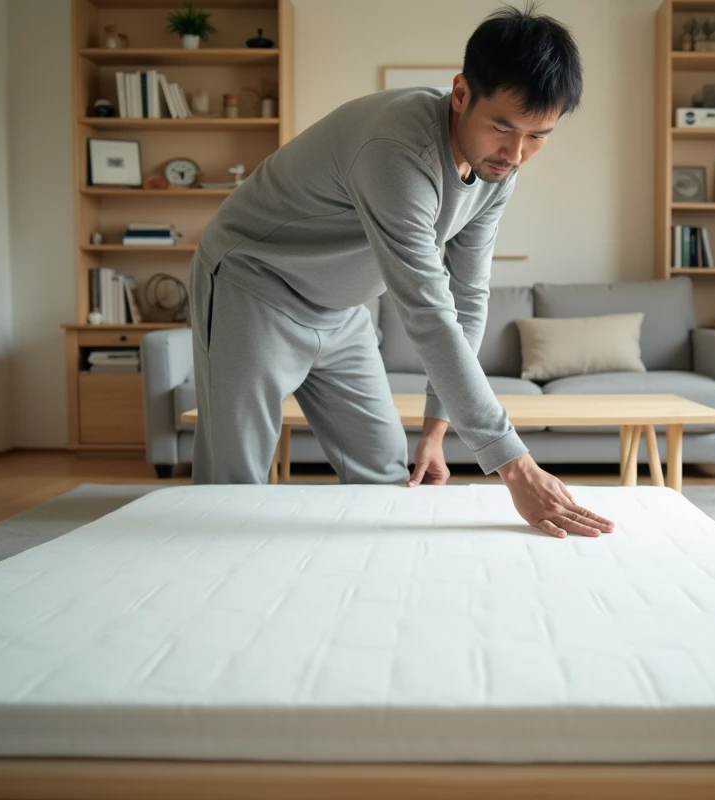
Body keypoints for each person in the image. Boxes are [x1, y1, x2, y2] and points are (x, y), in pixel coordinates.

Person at [189, 3, 614, 539]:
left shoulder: (497, 169)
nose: (516, 153)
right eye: (503, 128)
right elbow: (429, 312)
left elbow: (467, 295)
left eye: (538, 136)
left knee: (390, 478)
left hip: (342, 312)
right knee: (232, 486)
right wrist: (516, 465)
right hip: (252, 289)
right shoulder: (397, 150)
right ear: (461, 94)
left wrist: (438, 428)